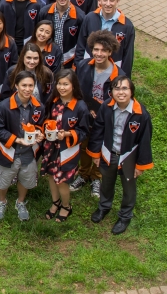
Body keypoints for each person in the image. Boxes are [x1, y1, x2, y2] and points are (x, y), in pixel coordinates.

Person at [87, 76, 153, 235]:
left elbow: (145, 140)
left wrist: (141, 164)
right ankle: (104, 207)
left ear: (132, 92)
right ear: (111, 92)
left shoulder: (141, 114)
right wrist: (95, 153)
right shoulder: (106, 108)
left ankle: (125, 216)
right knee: (106, 183)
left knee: (129, 188)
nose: (120, 92)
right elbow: (98, 131)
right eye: (117, 88)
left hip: (129, 157)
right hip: (109, 153)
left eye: (125, 88)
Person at [71, 30, 124, 197]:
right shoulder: (83, 66)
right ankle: (83, 173)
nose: (99, 54)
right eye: (96, 49)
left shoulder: (119, 76)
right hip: (85, 116)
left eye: (103, 50)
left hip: (105, 119)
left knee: (101, 147)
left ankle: (96, 177)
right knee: (84, 146)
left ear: (110, 52)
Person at [0, 70, 46, 221]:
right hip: (9, 151)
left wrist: (40, 133)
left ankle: (20, 202)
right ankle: (2, 201)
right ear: (16, 86)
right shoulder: (4, 106)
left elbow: (39, 125)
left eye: (31, 85)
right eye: (24, 85)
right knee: (4, 180)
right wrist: (17, 139)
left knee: (26, 178)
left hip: (29, 153)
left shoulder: (39, 107)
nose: (27, 89)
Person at [41, 69, 90, 222]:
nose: (62, 87)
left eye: (65, 84)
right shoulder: (53, 101)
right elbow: (46, 119)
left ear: (73, 86)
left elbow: (84, 131)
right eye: (59, 84)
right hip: (51, 146)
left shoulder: (80, 107)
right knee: (51, 175)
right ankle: (55, 202)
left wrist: (67, 134)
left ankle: (66, 206)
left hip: (67, 149)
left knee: (62, 180)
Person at [75, 0, 135, 77]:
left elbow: (128, 55)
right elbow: (81, 44)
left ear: (117, 2)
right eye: (105, 0)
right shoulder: (89, 18)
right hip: (89, 67)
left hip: (113, 71)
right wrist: (78, 66)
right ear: (99, 1)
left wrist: (124, 78)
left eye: (112, 0)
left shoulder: (127, 26)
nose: (108, 4)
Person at [40, 0, 85, 68]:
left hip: (69, 60)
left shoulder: (80, 16)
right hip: (48, 58)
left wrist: (77, 63)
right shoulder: (44, 12)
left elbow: (81, 42)